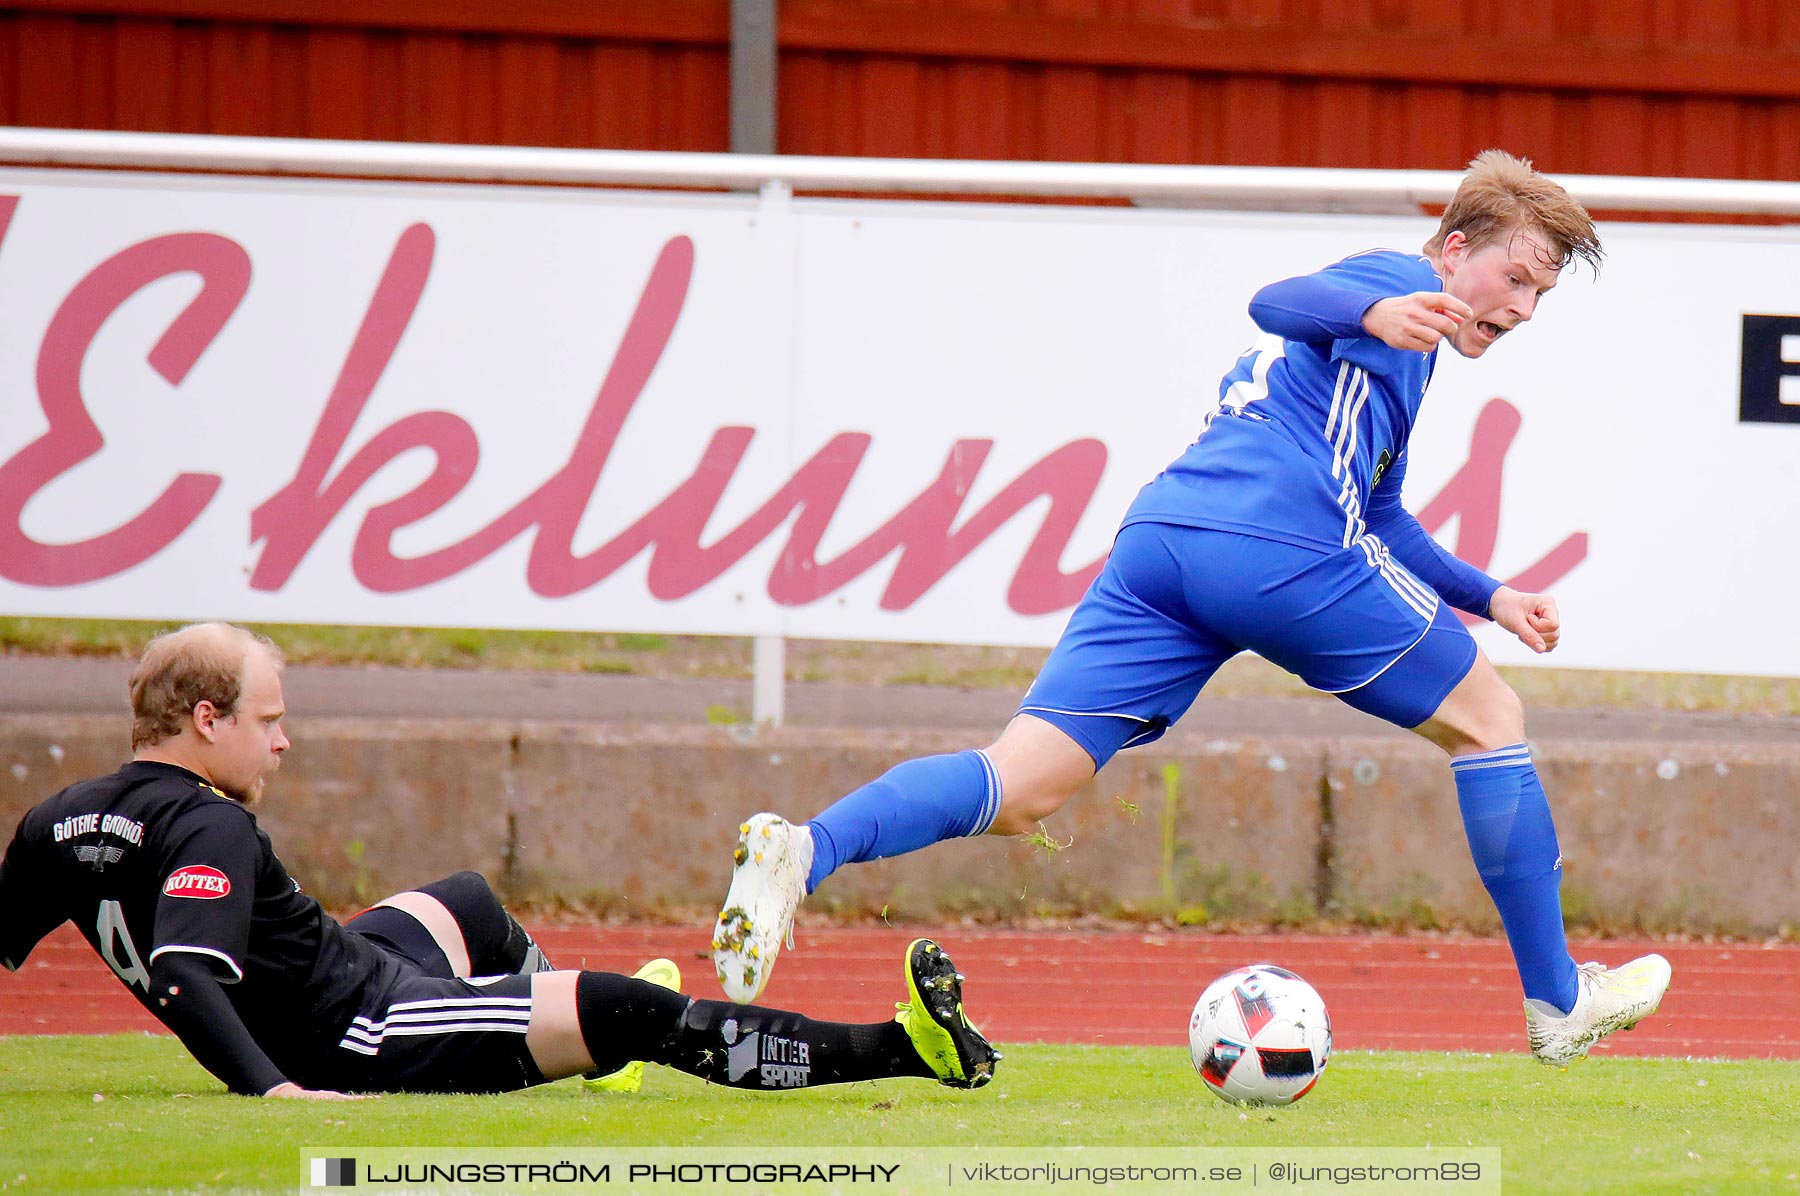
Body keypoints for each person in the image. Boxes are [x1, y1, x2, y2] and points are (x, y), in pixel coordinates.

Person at [714, 150, 1671, 1068]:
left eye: (1541, 296)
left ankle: (805, 850)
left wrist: (1491, 595)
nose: (1525, 307)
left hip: (1166, 546)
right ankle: (1557, 1002)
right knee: (1491, 718)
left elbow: (1379, 509)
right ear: (1456, 248)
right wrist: (1378, 306)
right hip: (1278, 547)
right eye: (1517, 277)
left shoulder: (1406, 351)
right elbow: (1275, 301)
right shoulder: (1391, 282)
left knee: (1024, 785)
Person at [0, 622, 998, 1097]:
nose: (283, 742)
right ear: (204, 718)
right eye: (269, 720)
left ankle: (570, 1037)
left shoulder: (58, 819)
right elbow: (186, 970)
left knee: (468, 899)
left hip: (344, 966)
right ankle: (909, 1045)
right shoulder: (212, 826)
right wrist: (276, 1090)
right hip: (365, 1027)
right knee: (633, 1010)